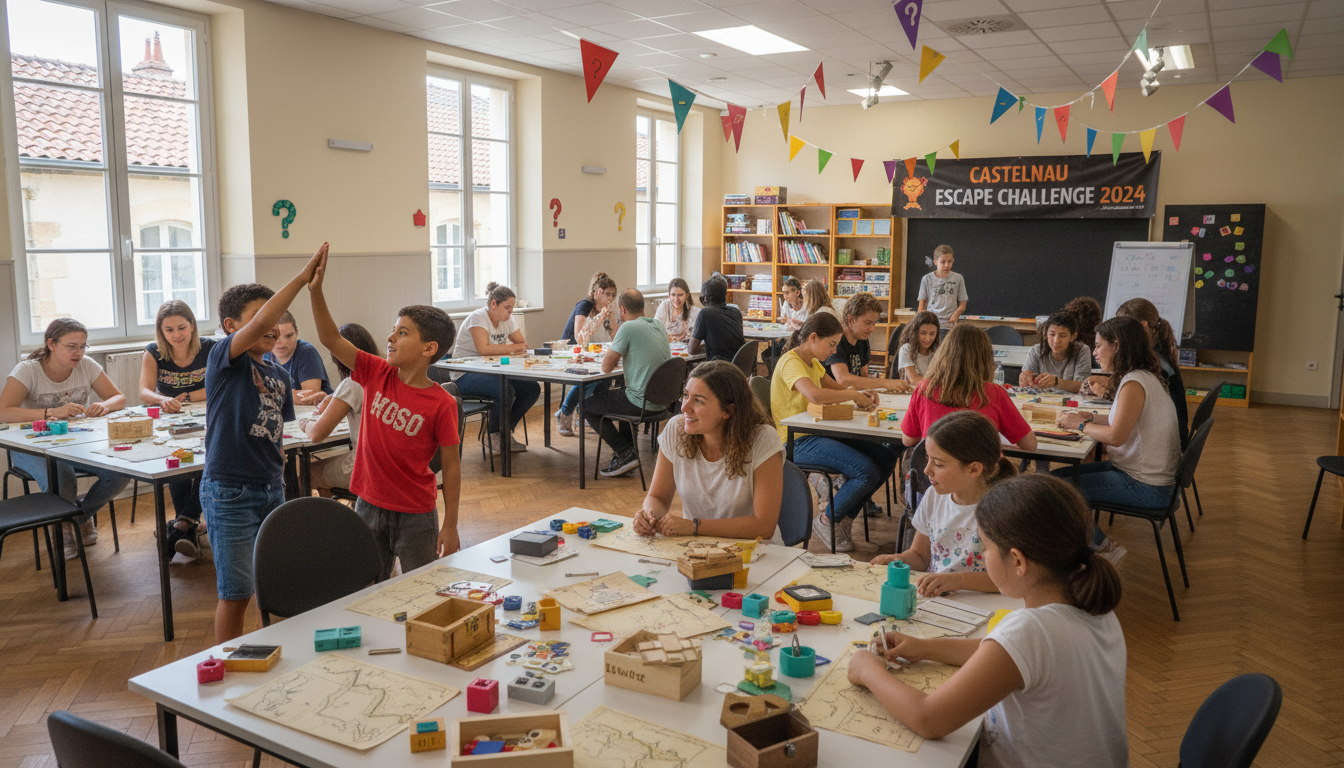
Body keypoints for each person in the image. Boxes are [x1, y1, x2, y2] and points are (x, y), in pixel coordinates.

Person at [849, 474, 1126, 768]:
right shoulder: (1096, 608)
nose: (983, 554)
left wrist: (868, 670)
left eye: (985, 548)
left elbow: (928, 719)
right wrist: (925, 648)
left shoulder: (1030, 631)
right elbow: (1000, 653)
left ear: (1018, 562)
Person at [309, 246, 463, 583]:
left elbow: (451, 466)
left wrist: (450, 524)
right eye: (393, 330)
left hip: (415, 515)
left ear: (429, 348)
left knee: (420, 588)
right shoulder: (375, 372)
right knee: (369, 587)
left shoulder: (442, 403)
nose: (390, 338)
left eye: (402, 333)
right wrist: (316, 290)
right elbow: (330, 338)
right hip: (368, 505)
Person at [201, 249, 319, 642]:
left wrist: (278, 471)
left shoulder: (279, 374)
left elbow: (275, 429)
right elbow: (264, 322)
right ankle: (228, 661)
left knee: (272, 584)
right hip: (230, 489)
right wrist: (301, 279)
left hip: (270, 486)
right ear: (231, 326)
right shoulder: (225, 357)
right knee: (236, 593)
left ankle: (266, 648)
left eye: (276, 317)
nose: (273, 325)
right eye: (262, 317)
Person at [1, 318, 129, 560]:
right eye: (71, 347)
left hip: (76, 444)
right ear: (51, 344)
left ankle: (75, 518)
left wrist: (103, 405)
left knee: (120, 473)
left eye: (82, 347)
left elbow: (119, 398)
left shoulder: (87, 365)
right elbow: (3, 412)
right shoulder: (27, 370)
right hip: (31, 448)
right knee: (63, 476)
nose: (78, 353)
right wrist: (50, 412)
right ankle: (65, 529)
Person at [1054, 316, 1180, 562]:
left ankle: (1103, 551)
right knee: (1053, 481)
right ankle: (1083, 548)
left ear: (1117, 346)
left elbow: (1116, 436)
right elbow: (1125, 420)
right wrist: (1089, 416)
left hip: (1148, 487)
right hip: (1148, 476)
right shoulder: (1143, 376)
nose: (1095, 353)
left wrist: (1080, 424)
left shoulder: (1134, 382)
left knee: (1056, 493)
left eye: (1099, 346)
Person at [770, 312, 895, 552]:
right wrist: (852, 394)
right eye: (831, 344)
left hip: (817, 432)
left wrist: (860, 395)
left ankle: (843, 517)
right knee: (866, 471)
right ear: (813, 338)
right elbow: (815, 395)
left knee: (885, 457)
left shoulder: (813, 363)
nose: (834, 350)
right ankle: (827, 519)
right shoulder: (790, 362)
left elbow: (838, 389)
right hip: (796, 440)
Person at [634, 360, 783, 540]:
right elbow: (658, 497)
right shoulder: (676, 429)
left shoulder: (763, 439)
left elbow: (764, 527)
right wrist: (649, 515)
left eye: (698, 401)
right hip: (697, 546)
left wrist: (694, 526)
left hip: (754, 550)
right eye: (686, 395)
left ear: (727, 411)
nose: (684, 407)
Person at [871, 411, 1015, 596]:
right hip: (940, 603)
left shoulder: (1002, 508)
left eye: (938, 464)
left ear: (973, 469)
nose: (926, 470)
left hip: (986, 606)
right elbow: (919, 556)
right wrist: (897, 560)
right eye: (928, 459)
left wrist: (959, 581)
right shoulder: (934, 496)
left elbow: (1009, 578)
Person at [138, 300, 216, 557]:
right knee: (177, 462)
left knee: (210, 461)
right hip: (172, 418)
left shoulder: (210, 348)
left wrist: (188, 396)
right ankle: (187, 526)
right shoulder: (154, 351)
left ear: (192, 325)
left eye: (182, 327)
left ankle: (181, 524)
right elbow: (144, 392)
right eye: (169, 330)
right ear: (161, 332)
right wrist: (162, 399)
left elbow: (220, 384)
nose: (176, 335)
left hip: (208, 414)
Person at [900, 323, 1037, 452]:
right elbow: (1030, 444)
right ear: (986, 359)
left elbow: (908, 439)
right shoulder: (995, 393)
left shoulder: (925, 388)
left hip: (937, 467)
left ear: (943, 354)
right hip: (981, 468)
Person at [586, 289, 671, 477]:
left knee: (586, 406)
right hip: (662, 402)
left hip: (641, 402)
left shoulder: (628, 328)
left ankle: (624, 452)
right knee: (624, 392)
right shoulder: (658, 325)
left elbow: (606, 367)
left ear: (622, 309)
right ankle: (627, 457)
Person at [450, 282, 539, 454]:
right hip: (464, 375)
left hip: (491, 372)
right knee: (504, 388)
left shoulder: (507, 320)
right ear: (493, 304)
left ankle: (504, 432)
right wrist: (512, 348)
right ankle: (493, 435)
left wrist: (512, 347)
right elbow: (484, 350)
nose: (510, 312)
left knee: (532, 388)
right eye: (507, 308)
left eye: (512, 308)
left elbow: (523, 344)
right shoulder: (478, 318)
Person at [300, 323, 379, 496]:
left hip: (365, 465)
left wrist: (305, 423)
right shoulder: (384, 375)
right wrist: (334, 397)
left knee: (305, 474)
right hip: (384, 463)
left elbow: (316, 434)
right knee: (325, 477)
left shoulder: (352, 383)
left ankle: (311, 514)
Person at [1116, 297, 1190, 447]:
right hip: (1168, 439)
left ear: (1143, 326)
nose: (1119, 335)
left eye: (1124, 329)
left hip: (1165, 444)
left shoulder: (1156, 366)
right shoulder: (1156, 355)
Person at [555, 272, 618, 437]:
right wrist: (601, 317)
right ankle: (565, 412)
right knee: (592, 377)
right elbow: (579, 338)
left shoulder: (605, 311)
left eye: (613, 295)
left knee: (606, 376)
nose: (611, 299)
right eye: (608, 294)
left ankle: (586, 412)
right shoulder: (584, 306)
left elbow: (615, 337)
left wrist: (611, 317)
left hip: (592, 354)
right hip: (571, 352)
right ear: (598, 292)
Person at [826, 292, 911, 393]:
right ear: (851, 320)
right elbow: (843, 380)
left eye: (874, 323)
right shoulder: (837, 339)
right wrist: (886, 383)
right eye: (868, 323)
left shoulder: (862, 340)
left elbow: (863, 377)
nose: (872, 328)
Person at [264, 311, 332, 404]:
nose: (282, 342)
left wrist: (276, 395)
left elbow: (312, 398)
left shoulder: (306, 352)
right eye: (275, 336)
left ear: (296, 333)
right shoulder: (264, 354)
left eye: (289, 336)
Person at [1020, 311, 1091, 393]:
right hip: (1042, 398)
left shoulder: (1081, 350)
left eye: (1062, 336)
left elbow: (1083, 386)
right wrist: (1025, 379)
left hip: (1070, 400)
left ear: (1073, 336)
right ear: (1046, 334)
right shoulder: (1036, 350)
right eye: (1052, 334)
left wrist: (1056, 382)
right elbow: (1026, 377)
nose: (1056, 341)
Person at [689, 274, 747, 362]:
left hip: (720, 366)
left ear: (704, 299)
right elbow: (727, 342)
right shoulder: (736, 312)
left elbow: (691, 350)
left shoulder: (705, 313)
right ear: (725, 294)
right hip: (738, 365)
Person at [916, 245, 967, 328]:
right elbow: (921, 307)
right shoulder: (927, 279)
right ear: (935, 262)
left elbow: (963, 303)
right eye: (943, 262)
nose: (947, 265)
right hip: (931, 323)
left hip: (951, 324)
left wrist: (956, 314)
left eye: (949, 261)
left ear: (953, 261)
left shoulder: (958, 278)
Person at [896, 310, 941, 385]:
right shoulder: (906, 349)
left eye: (932, 334)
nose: (928, 338)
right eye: (923, 333)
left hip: (932, 390)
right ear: (914, 332)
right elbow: (914, 379)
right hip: (913, 391)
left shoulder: (937, 350)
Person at [653, 277, 699, 341]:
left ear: (687, 295)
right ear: (669, 295)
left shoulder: (695, 312)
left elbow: (697, 339)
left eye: (680, 295)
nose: (676, 299)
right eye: (673, 295)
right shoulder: (664, 306)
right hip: (665, 346)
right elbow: (655, 331)